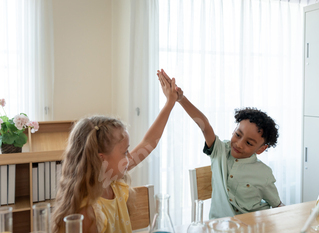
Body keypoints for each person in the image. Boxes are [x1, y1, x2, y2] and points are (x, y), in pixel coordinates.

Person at [51, 75, 179, 233]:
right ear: (101, 160)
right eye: (125, 152)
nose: (129, 158)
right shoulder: (88, 213)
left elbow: (149, 142)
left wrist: (170, 102)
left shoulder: (111, 180)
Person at [157, 69, 284, 219]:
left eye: (249, 143)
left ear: (261, 149)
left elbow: (277, 206)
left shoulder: (264, 174)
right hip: (218, 227)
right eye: (237, 135)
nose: (239, 144)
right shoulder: (220, 151)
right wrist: (181, 99)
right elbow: (205, 126)